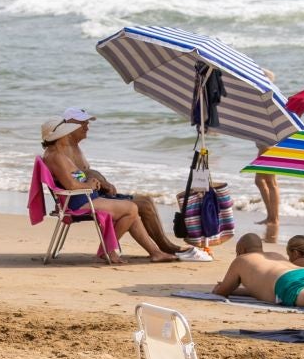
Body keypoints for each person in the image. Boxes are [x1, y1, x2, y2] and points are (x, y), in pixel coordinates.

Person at [39, 112, 193, 263]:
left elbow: (74, 177)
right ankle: (107, 250)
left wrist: (92, 182)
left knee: (131, 210)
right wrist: (90, 185)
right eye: (67, 132)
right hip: (79, 201)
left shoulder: (55, 153)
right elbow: (71, 184)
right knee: (131, 209)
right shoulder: (56, 156)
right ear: (60, 136)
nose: (69, 133)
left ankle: (155, 252)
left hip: (83, 197)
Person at [213, 232, 304, 313]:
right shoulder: (274, 255)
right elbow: (257, 289)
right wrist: (239, 291)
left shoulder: (241, 260)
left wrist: (218, 288)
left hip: (287, 280)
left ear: (242, 251)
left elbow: (222, 291)